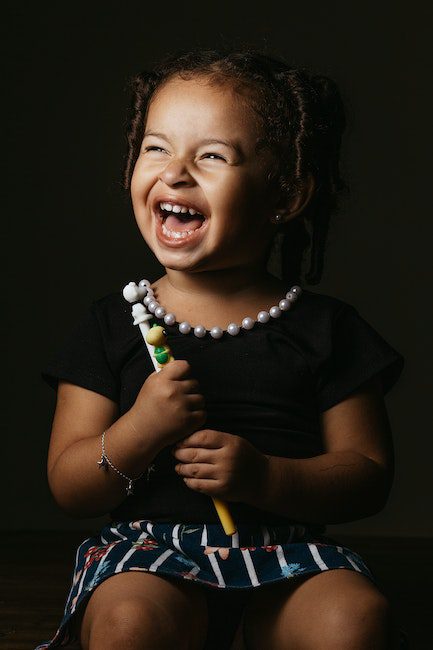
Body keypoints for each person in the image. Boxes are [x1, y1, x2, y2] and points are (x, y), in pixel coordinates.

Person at [36, 47, 406, 650]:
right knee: (129, 623)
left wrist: (265, 477)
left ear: (286, 195)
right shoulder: (112, 323)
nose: (175, 172)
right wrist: (141, 429)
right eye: (155, 148)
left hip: (287, 554)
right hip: (151, 556)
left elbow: (366, 478)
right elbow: (71, 488)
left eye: (211, 156)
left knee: (353, 621)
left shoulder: (327, 328)